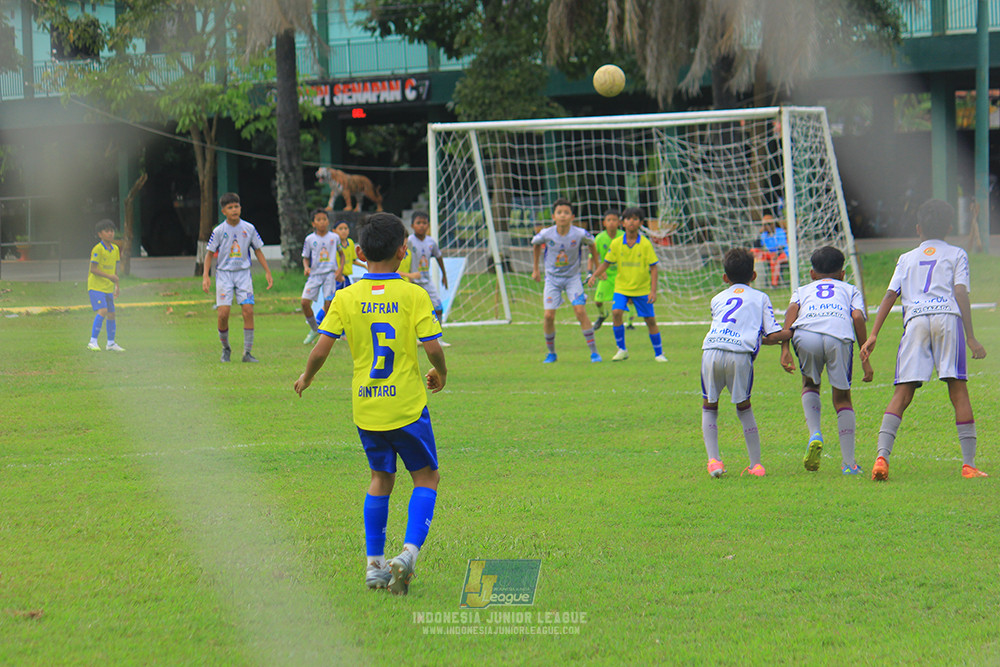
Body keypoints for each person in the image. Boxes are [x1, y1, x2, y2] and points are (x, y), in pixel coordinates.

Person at [294, 212, 447, 596]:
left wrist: (307, 378)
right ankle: (408, 554)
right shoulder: (414, 295)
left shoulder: (346, 297)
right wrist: (440, 373)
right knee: (426, 477)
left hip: (366, 408)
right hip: (407, 408)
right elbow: (432, 347)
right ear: (403, 250)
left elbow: (321, 348)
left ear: (358, 253)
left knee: (381, 479)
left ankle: (374, 566)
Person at [860, 198, 988, 481]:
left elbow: (890, 295)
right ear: (950, 227)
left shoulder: (906, 258)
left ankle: (881, 457)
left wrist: (873, 334)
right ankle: (969, 465)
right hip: (947, 319)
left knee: (902, 393)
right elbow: (960, 292)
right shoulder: (957, 253)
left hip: (915, 320)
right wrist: (971, 336)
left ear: (918, 229)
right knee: (958, 390)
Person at [780, 246, 874, 475]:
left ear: (812, 274)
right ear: (843, 273)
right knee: (842, 398)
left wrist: (784, 348)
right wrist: (864, 355)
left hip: (806, 334)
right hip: (837, 334)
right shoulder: (850, 289)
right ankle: (849, 464)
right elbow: (858, 316)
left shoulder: (802, 290)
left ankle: (815, 433)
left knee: (810, 384)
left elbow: (792, 311)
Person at [700, 247, 790, 478]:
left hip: (711, 350)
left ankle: (714, 462)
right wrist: (791, 333)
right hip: (739, 356)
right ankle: (756, 465)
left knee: (710, 406)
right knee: (744, 408)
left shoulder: (717, 298)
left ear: (724, 277)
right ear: (754, 275)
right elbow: (771, 335)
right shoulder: (760, 297)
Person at [201, 192, 274, 363]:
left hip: (243, 275)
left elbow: (258, 250)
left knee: (248, 310)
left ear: (240, 208)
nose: (234, 210)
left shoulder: (249, 228)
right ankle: (226, 349)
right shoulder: (219, 231)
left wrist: (267, 271)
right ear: (223, 211)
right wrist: (206, 275)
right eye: (230, 207)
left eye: (236, 206)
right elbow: (209, 254)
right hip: (224, 275)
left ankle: (247, 353)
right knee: (223, 314)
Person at [587, 206, 666, 362]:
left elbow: (654, 268)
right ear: (623, 223)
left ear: (640, 223)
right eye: (628, 219)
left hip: (642, 288)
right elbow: (606, 263)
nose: (631, 222)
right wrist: (594, 275)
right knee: (616, 312)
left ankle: (659, 354)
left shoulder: (645, 244)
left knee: (650, 320)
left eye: (635, 219)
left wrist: (653, 291)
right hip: (622, 288)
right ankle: (622, 349)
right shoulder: (616, 243)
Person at [531, 198, 602, 363]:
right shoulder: (547, 233)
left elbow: (592, 244)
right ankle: (551, 353)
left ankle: (594, 352)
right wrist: (536, 269)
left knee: (580, 312)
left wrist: (597, 269)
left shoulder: (579, 234)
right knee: (548, 316)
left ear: (572, 216)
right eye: (559, 212)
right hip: (552, 280)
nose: (563, 216)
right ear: (553, 216)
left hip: (572, 279)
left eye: (566, 213)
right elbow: (535, 244)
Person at [301, 209, 345, 345]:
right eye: (318, 219)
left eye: (324, 219)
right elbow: (305, 258)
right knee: (304, 302)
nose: (322, 222)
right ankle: (315, 329)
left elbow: (341, 254)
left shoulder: (334, 237)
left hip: (330, 275)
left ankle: (327, 334)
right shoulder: (310, 239)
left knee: (328, 304)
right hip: (315, 275)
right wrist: (306, 267)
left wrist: (339, 270)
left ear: (328, 221)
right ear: (313, 223)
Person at [408, 211, 450, 346]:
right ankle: (411, 339)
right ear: (412, 225)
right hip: (412, 281)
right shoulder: (409, 241)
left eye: (424, 223)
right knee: (410, 312)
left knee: (438, 307)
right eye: (418, 223)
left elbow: (438, 256)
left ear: (428, 225)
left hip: (427, 281)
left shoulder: (431, 242)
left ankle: (438, 338)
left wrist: (444, 274)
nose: (421, 226)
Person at [87, 219, 125, 352]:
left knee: (112, 314)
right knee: (103, 310)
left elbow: (114, 270)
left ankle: (110, 343)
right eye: (107, 231)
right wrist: (110, 277)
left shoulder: (115, 249)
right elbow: (93, 269)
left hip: (108, 287)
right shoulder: (97, 249)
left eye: (112, 231)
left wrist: (117, 285)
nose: (110, 233)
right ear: (100, 234)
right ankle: (92, 341)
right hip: (96, 286)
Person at [590, 209, 621, 331]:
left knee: (625, 302)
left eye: (614, 220)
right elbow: (592, 256)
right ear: (604, 223)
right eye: (609, 220)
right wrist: (591, 271)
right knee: (598, 301)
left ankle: (629, 322)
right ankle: (602, 315)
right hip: (605, 275)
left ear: (619, 222)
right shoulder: (599, 238)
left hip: (621, 275)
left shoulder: (623, 236)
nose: (612, 222)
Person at [753, 214, 788, 287]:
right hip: (770, 254)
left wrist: (776, 254)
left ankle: (774, 284)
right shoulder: (764, 234)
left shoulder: (779, 231)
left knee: (774, 260)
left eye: (769, 224)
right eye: (765, 225)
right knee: (754, 252)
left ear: (773, 224)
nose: (767, 226)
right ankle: (758, 282)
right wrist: (759, 233)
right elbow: (757, 245)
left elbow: (782, 246)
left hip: (782, 254)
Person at [335, 220, 367, 290]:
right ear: (334, 231)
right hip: (336, 276)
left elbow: (353, 260)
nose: (343, 231)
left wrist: (364, 266)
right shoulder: (333, 243)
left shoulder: (350, 242)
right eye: (340, 229)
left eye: (345, 228)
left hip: (346, 276)